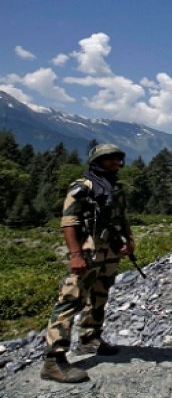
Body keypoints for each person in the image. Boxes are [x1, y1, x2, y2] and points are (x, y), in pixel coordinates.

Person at [41, 144, 134, 383]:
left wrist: (129, 240)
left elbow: (121, 217)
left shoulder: (117, 188)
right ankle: (53, 360)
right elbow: (69, 222)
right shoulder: (82, 187)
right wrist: (75, 255)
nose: (114, 163)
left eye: (117, 159)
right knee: (71, 298)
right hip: (88, 250)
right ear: (97, 161)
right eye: (108, 159)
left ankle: (90, 338)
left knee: (100, 295)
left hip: (109, 250)